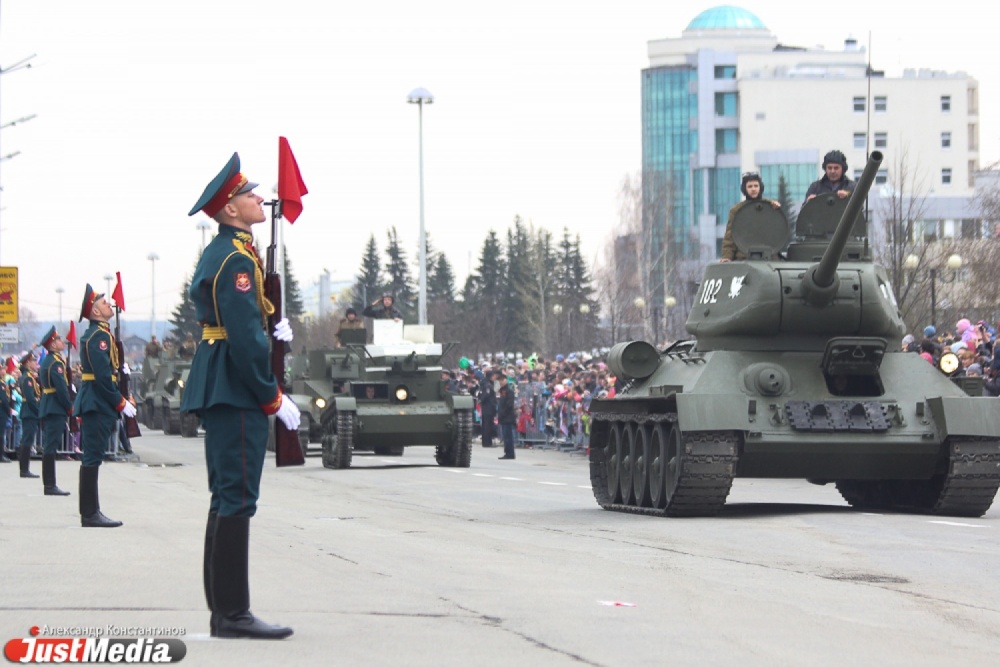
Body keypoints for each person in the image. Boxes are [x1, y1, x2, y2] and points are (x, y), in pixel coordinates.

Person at [183, 152, 300, 640]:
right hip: (237, 386)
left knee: (226, 496)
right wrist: (273, 396)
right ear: (230, 209)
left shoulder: (232, 251)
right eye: (248, 193)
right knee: (237, 498)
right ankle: (233, 614)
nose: (259, 197)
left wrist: (275, 326)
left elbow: (250, 322)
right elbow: (245, 336)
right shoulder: (235, 258)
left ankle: (224, 611)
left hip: (223, 382)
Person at [74, 284, 135, 528]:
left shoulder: (101, 334)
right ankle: (90, 513)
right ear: (95, 312)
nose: (108, 303)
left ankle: (91, 511)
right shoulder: (98, 337)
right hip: (97, 402)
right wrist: (119, 402)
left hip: (97, 401)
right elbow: (101, 377)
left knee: (93, 457)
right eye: (102, 302)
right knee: (92, 457)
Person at [37, 327, 72, 496]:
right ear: (52, 344)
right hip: (54, 407)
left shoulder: (51, 361)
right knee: (50, 446)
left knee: (50, 445)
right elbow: (61, 388)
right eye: (58, 339)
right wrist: (69, 406)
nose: (62, 341)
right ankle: (50, 485)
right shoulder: (55, 363)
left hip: (50, 405)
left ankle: (50, 484)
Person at [720, 172, 782, 262]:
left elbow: (777, 232)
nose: (753, 189)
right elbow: (730, 237)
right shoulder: (737, 210)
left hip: (769, 257)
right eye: (750, 186)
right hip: (743, 257)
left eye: (756, 186)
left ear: (760, 187)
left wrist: (775, 207)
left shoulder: (770, 207)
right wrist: (727, 256)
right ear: (744, 189)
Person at [17, 352, 40, 478]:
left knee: (28, 440)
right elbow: (31, 398)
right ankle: (24, 469)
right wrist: (38, 411)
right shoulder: (27, 378)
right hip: (29, 411)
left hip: (30, 411)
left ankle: (24, 468)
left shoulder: (30, 377)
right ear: (27, 363)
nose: (35, 363)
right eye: (33, 361)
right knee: (27, 440)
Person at [497, 382, 517, 460]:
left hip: (507, 417)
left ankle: (510, 453)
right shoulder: (503, 394)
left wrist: (502, 413)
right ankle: (507, 452)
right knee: (505, 436)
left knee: (508, 436)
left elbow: (509, 405)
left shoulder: (509, 393)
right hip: (503, 417)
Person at [478, 370, 497, 448]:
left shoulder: (484, 383)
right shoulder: (487, 384)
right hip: (488, 406)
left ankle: (486, 441)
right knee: (487, 424)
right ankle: (487, 442)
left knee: (486, 424)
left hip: (486, 406)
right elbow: (486, 395)